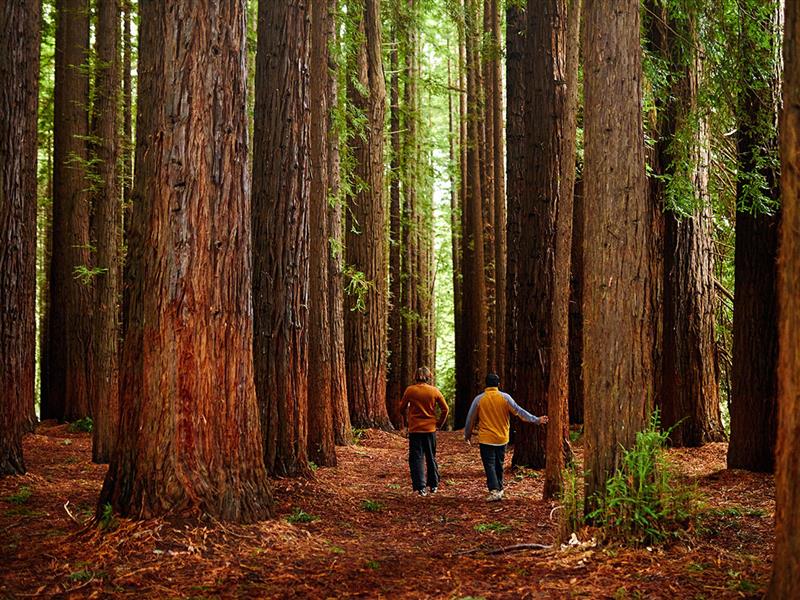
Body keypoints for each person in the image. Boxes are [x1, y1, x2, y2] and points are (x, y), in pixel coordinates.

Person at [464, 373, 548, 501]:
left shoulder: (479, 399)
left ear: (486, 385)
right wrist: (536, 420)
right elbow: (519, 411)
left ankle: (494, 490)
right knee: (499, 463)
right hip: (502, 438)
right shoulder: (505, 398)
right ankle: (499, 488)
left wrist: (467, 435)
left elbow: (470, 419)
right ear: (498, 384)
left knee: (489, 465)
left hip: (486, 439)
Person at [400, 366, 449, 497]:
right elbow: (445, 409)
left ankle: (420, 487)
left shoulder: (410, 390)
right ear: (429, 377)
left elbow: (401, 408)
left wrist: (407, 420)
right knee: (431, 456)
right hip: (430, 429)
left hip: (415, 429)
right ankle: (434, 485)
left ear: (415, 376)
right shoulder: (434, 391)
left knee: (416, 458)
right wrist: (438, 423)